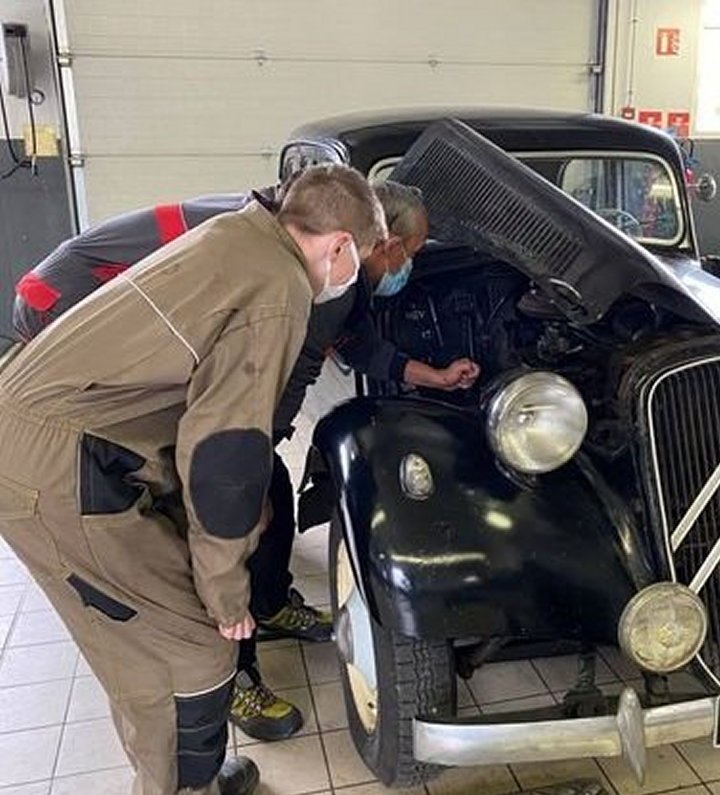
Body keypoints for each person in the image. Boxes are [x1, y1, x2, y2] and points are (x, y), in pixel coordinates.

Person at [0, 165, 385, 795]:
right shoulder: (278, 293)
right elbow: (225, 455)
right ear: (336, 247)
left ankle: (192, 788)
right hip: (57, 470)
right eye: (360, 256)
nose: (355, 274)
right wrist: (226, 586)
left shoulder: (246, 235)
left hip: (67, 443)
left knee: (182, 645)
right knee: (182, 653)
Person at [9, 179, 481, 742]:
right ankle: (236, 675)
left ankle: (270, 602)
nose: (415, 263)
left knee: (268, 495)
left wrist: (437, 376)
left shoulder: (333, 276)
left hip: (146, 381)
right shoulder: (278, 280)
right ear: (379, 243)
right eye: (414, 250)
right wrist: (248, 465)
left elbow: (355, 349)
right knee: (217, 518)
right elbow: (241, 414)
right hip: (66, 335)